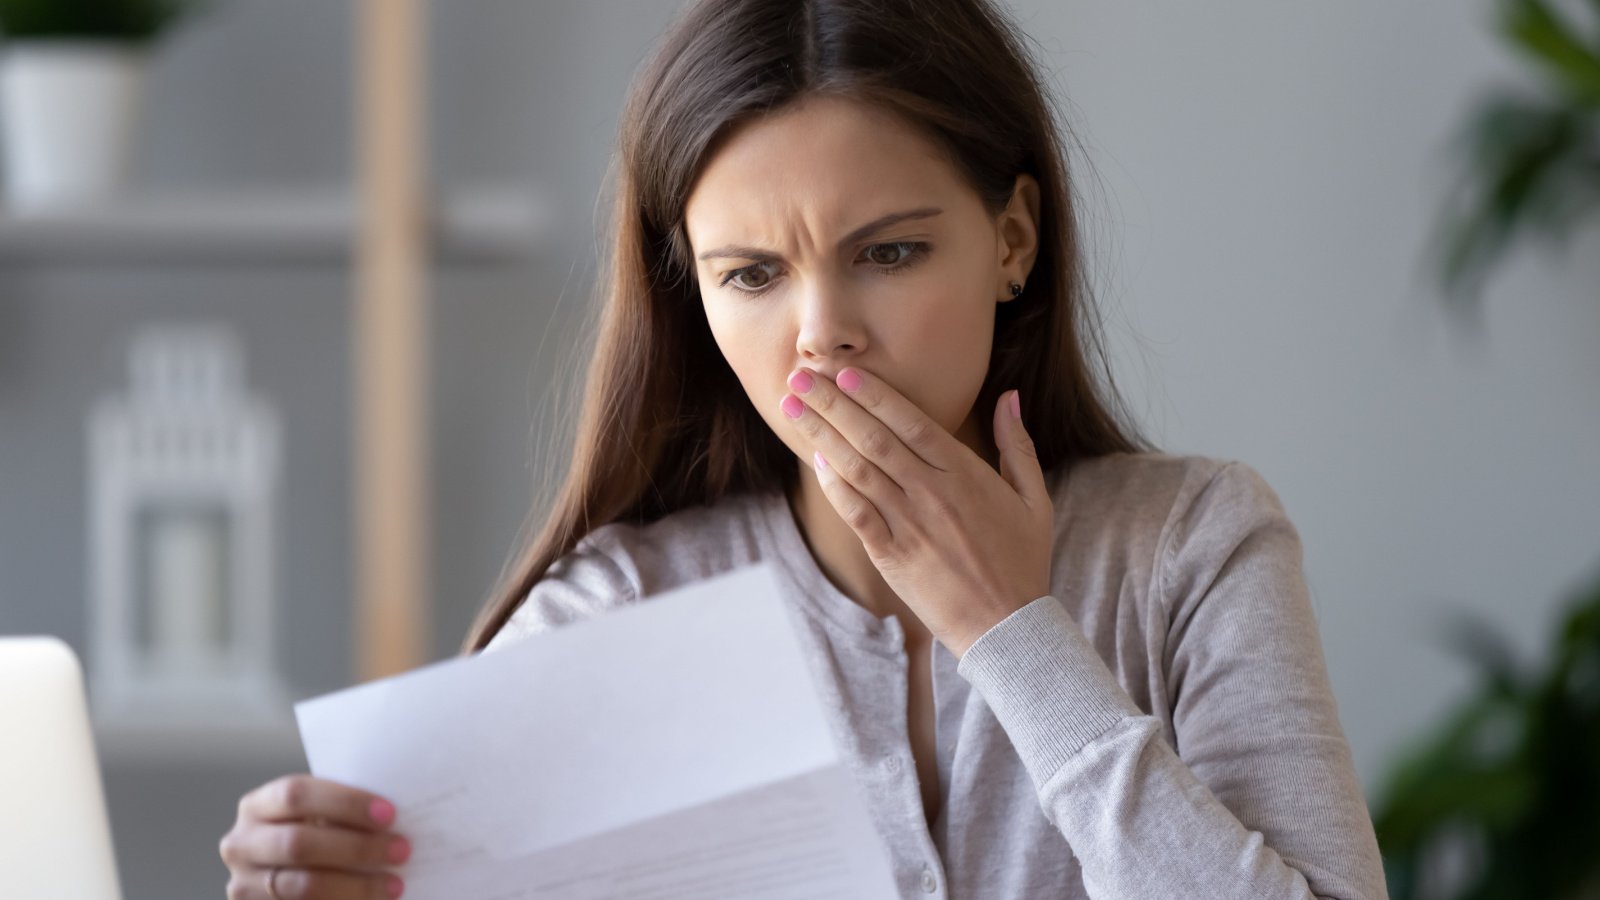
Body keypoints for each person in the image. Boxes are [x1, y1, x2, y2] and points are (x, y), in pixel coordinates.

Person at [220, 0, 1389, 897]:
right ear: (698, 302)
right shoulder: (618, 608)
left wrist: (1017, 640)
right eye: (752, 276)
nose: (821, 329)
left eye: (887, 253)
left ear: (1013, 240)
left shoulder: (1190, 546)